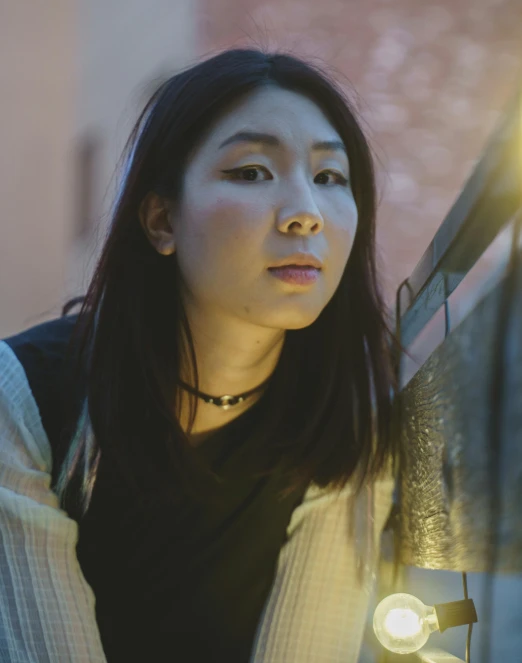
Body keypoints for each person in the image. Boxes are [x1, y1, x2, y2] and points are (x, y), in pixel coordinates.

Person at [0, 48, 398, 662]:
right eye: (251, 172)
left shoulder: (347, 421)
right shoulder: (25, 398)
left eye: (329, 178)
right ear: (162, 220)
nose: (305, 215)